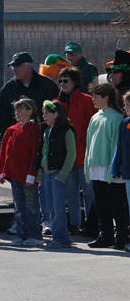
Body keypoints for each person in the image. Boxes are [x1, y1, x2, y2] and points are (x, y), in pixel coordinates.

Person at [84, 83, 127, 249]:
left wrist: (112, 168)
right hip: (96, 168)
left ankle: (121, 237)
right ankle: (105, 235)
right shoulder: (95, 117)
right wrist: (88, 164)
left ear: (106, 97)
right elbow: (89, 142)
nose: (93, 99)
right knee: (101, 206)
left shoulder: (116, 117)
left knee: (117, 206)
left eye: (96, 96)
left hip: (110, 169)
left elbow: (117, 145)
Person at [57, 66, 97, 236]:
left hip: (84, 155)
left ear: (75, 82)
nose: (62, 84)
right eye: (60, 81)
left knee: (88, 193)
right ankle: (74, 224)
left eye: (66, 81)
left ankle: (91, 224)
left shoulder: (87, 100)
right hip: (66, 158)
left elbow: (93, 126)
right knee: (70, 194)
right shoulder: (57, 103)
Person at [0, 98, 42, 246]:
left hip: (28, 177)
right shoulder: (11, 130)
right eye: (16, 109)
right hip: (14, 176)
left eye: (20, 109)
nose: (17, 112)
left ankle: (34, 234)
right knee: (19, 207)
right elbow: (4, 151)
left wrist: (32, 173)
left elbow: (35, 153)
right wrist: (2, 171)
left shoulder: (35, 129)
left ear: (30, 111)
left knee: (31, 207)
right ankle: (21, 234)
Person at [36, 100, 76, 248]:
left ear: (56, 114)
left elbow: (71, 154)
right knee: (50, 207)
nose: (43, 115)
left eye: (47, 113)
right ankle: (56, 235)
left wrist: (63, 174)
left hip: (58, 174)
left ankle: (61, 237)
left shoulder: (67, 130)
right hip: (47, 174)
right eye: (43, 112)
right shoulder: (47, 131)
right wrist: (41, 172)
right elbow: (43, 153)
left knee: (58, 207)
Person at [0, 52, 58, 141]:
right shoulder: (8, 89)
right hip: (18, 139)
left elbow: (57, 111)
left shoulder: (48, 86)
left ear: (28, 67)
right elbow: (3, 118)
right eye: (13, 66)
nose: (14, 69)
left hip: (44, 139)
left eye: (17, 66)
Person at [111, 91, 130, 251]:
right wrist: (115, 167)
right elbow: (119, 147)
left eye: (128, 105)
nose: (126, 108)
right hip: (128, 173)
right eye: (125, 105)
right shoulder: (125, 123)